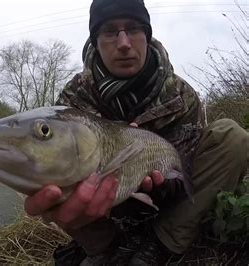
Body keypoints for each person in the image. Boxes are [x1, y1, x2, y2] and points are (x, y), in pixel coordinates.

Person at [23, 0, 249, 264]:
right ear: (95, 42)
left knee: (232, 137)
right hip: (105, 208)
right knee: (51, 157)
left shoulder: (180, 95)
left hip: (168, 203)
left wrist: (165, 186)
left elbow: (187, 164)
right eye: (109, 31)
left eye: (133, 29)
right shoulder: (73, 99)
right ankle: (105, 246)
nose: (123, 43)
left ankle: (162, 242)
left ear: (146, 36)